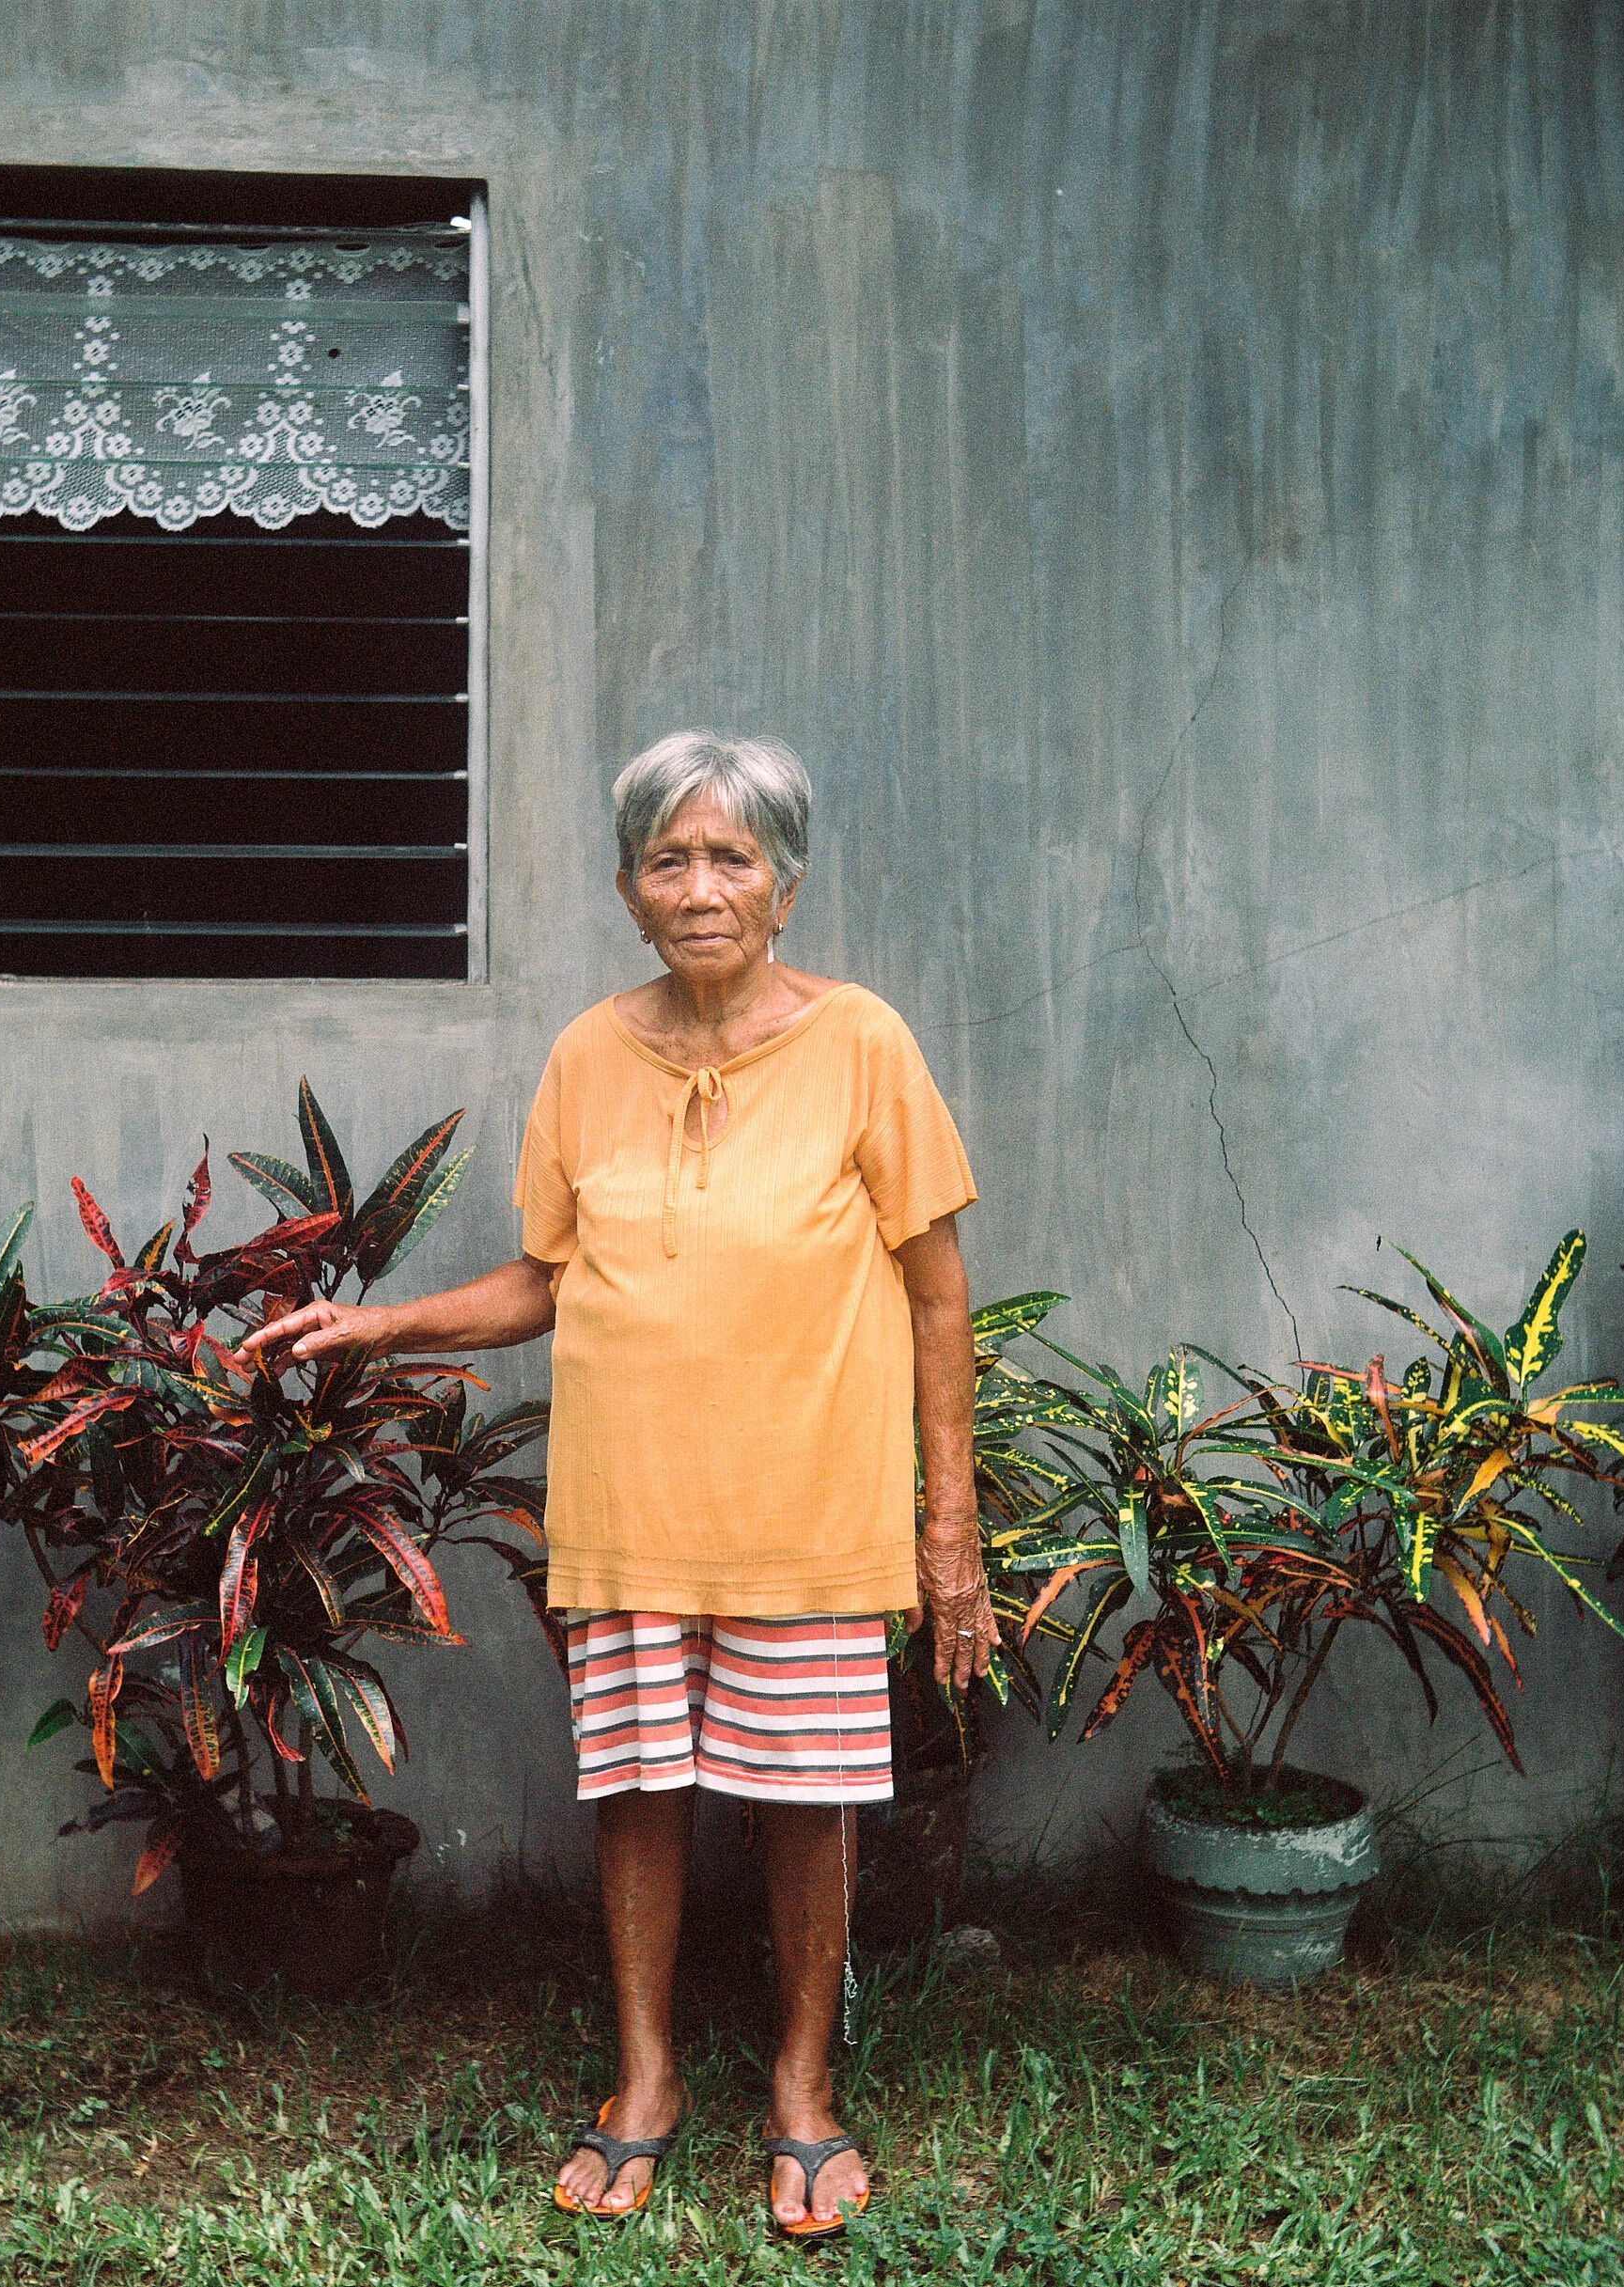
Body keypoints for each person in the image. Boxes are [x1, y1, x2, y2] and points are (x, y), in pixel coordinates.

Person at [245, 729, 999, 2241]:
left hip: (806, 1508)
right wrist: (383, 1322)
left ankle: (801, 2088)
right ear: (626, 885)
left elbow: (935, 1294)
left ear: (784, 886)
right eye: (670, 858)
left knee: (806, 1801)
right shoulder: (590, 1054)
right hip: (631, 1502)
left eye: (732, 857)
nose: (701, 885)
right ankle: (645, 2077)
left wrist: (949, 1524)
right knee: (639, 1791)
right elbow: (546, 1278)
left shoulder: (864, 1045)